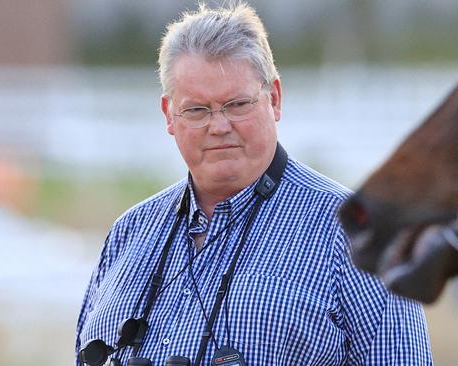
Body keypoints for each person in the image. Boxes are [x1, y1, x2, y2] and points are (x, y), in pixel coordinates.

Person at [75, 3, 433, 365]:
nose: (218, 126)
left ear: (274, 99)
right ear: (169, 114)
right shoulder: (129, 232)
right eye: (197, 110)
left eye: (236, 105)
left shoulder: (357, 233)